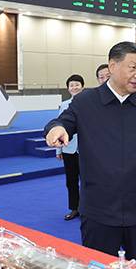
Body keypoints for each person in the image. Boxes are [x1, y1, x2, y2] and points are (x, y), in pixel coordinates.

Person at [45, 42, 136, 266]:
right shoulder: (85, 102)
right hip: (98, 212)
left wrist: (133, 165)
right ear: (112, 66)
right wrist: (56, 129)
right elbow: (62, 122)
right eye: (132, 68)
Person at [57, 74, 85, 221]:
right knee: (71, 181)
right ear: (68, 88)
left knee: (86, 181)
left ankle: (87, 208)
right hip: (68, 149)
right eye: (71, 85)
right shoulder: (64, 105)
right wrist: (59, 149)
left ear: (82, 87)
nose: (74, 87)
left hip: (86, 149)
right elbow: (59, 127)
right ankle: (74, 208)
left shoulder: (89, 104)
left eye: (77, 84)